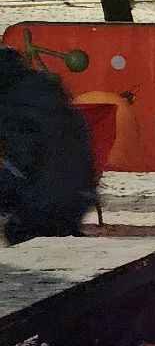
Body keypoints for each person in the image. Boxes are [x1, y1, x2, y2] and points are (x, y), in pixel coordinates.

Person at [0, 46, 94, 244]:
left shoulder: (13, 106)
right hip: (78, 192)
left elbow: (22, 162)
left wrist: (5, 193)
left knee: (24, 245)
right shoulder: (44, 91)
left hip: (44, 200)